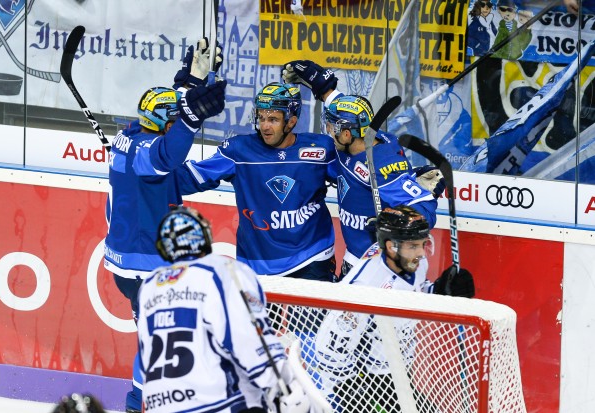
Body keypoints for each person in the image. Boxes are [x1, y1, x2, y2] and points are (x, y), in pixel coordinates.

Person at [103, 38, 226, 413]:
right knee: (157, 345)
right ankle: (137, 405)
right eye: (173, 121)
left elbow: (171, 158)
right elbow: (167, 154)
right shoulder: (144, 151)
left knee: (163, 341)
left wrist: (188, 82)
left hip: (137, 261)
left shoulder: (136, 134)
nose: (176, 127)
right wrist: (189, 117)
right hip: (142, 268)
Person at [137, 205, 330, 413]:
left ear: (163, 247)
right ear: (205, 237)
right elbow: (254, 344)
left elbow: (144, 358)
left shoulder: (149, 286)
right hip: (217, 404)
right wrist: (288, 388)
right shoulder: (224, 271)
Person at [281, 60, 444, 277]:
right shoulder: (356, 136)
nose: (329, 132)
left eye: (331, 127)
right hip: (352, 259)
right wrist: (323, 87)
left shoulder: (383, 168)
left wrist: (398, 222)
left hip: (378, 270)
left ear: (347, 134)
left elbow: (423, 213)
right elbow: (343, 106)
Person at [314, 206, 475, 412]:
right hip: (363, 382)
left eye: (422, 244)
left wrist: (440, 290)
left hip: (394, 372)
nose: (420, 253)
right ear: (391, 247)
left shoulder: (412, 263)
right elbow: (328, 347)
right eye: (413, 246)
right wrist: (352, 392)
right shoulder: (365, 286)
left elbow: (412, 295)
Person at [173, 82, 337, 281]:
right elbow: (191, 178)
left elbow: (355, 172)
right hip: (258, 262)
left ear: (291, 121)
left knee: (315, 312)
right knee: (254, 314)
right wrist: (153, 170)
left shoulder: (321, 149)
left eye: (273, 119)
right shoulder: (239, 150)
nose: (265, 126)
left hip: (312, 254)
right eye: (261, 118)